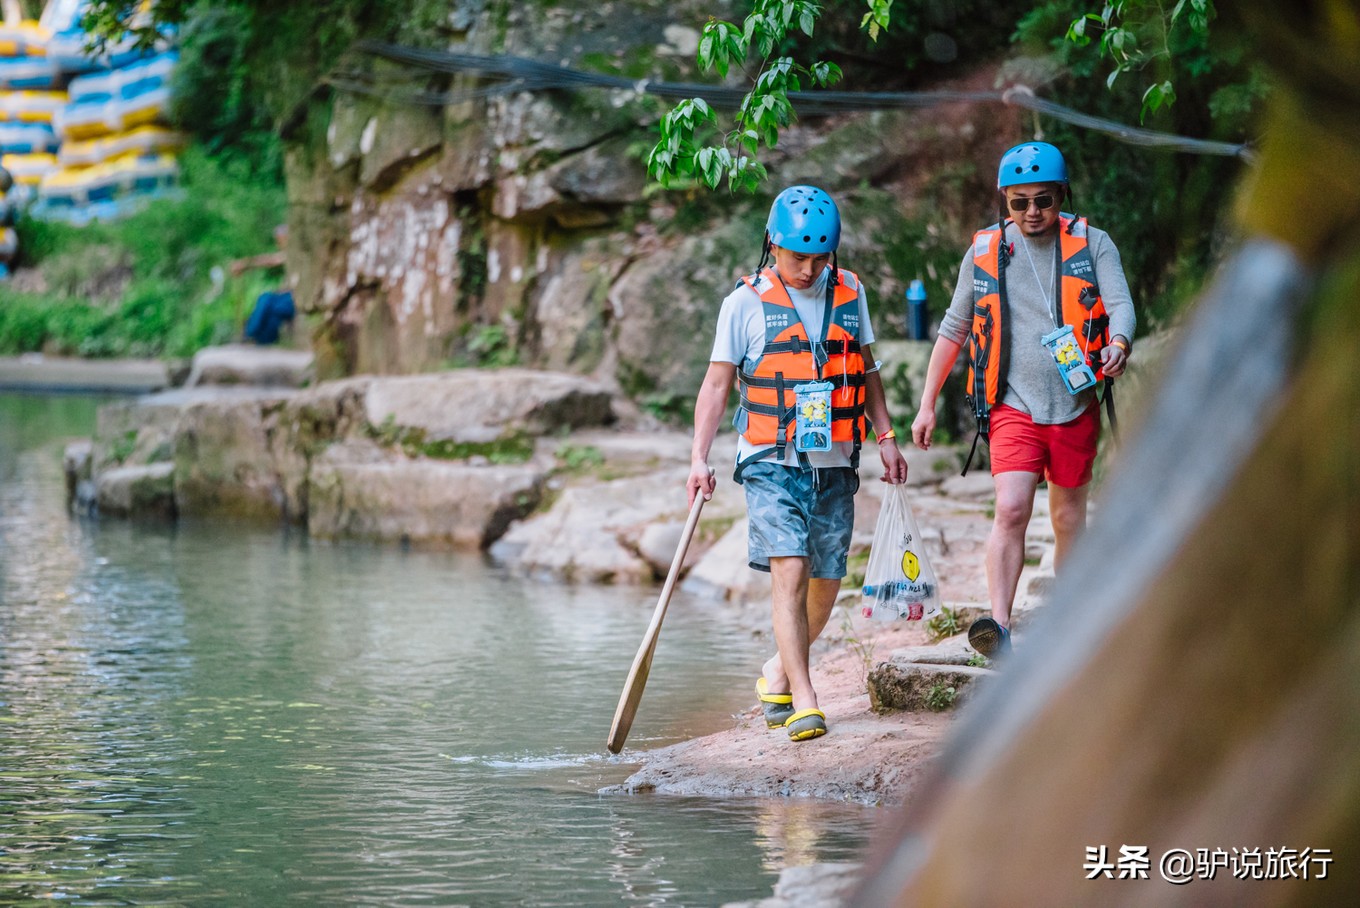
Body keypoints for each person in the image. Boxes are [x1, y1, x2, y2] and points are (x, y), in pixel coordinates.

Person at [687, 185, 909, 742]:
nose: (808, 269)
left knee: (826, 582)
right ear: (772, 244)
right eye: (796, 257)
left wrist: (886, 435)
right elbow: (716, 386)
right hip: (770, 458)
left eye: (819, 257)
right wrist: (698, 457)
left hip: (835, 459)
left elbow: (867, 368)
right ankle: (806, 698)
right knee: (790, 568)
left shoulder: (851, 293)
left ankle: (777, 673)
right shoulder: (743, 304)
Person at [911, 142, 1135, 657]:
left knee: (1068, 519)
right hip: (1012, 403)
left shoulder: (1094, 244)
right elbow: (954, 327)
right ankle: (1000, 626)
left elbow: (1121, 306)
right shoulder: (986, 252)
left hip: (1076, 402)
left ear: (1062, 196)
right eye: (1019, 202)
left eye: (1044, 200)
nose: (1032, 212)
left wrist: (1118, 344)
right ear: (1004, 202)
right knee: (1011, 508)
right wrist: (927, 403)